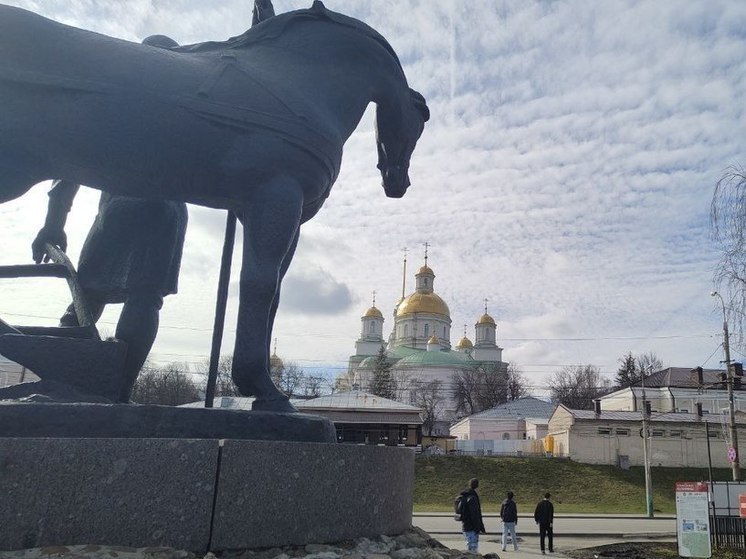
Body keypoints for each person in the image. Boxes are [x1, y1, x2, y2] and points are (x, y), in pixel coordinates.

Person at [31, 35, 188, 403]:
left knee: (86, 301)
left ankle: (67, 382)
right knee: (145, 300)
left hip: (119, 212)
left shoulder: (112, 105)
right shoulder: (185, 111)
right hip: (164, 214)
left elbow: (70, 166)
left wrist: (54, 223)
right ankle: (118, 392)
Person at [458, 478, 486, 553]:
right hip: (472, 528)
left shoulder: (465, 496)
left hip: (466, 526)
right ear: (477, 487)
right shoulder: (473, 498)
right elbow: (475, 515)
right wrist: (478, 528)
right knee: (473, 550)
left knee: (469, 548)